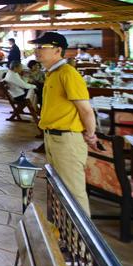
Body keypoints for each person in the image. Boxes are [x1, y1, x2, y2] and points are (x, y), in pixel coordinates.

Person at [30, 31, 96, 215]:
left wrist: (91, 134)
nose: (37, 50)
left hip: (67, 139)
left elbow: (85, 110)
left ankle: (81, 242)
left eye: (42, 47)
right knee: (59, 188)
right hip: (53, 138)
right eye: (37, 47)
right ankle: (63, 233)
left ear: (58, 50)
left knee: (74, 193)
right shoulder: (53, 74)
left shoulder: (68, 74)